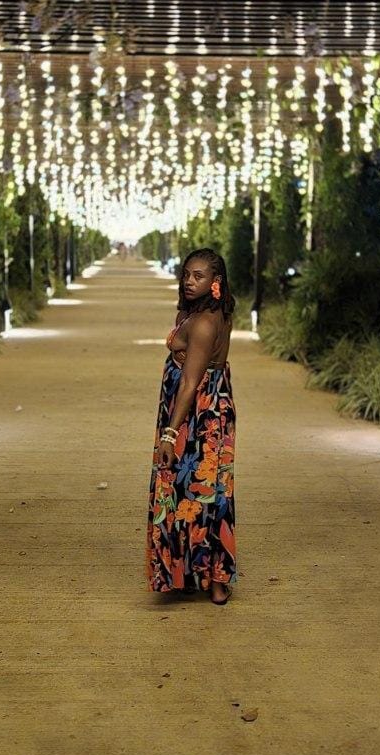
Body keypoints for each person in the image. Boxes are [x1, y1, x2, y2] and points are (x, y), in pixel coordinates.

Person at [145, 247, 238, 605]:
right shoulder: (205, 311)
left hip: (196, 414)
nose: (189, 281)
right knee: (206, 490)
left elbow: (189, 381)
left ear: (215, 281)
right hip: (210, 406)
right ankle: (199, 575)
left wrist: (170, 434)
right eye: (186, 274)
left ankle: (211, 578)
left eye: (199, 276)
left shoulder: (203, 322)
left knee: (196, 489)